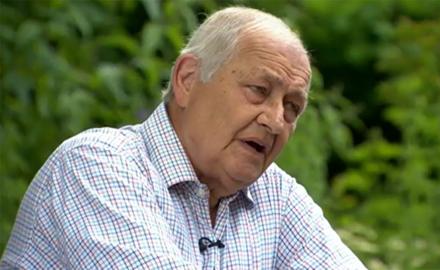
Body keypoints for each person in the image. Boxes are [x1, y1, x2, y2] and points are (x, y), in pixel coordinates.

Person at [1, 7, 366, 269]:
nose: (274, 120)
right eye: (258, 90)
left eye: (292, 107)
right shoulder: (98, 164)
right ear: (188, 79)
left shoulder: (277, 197)